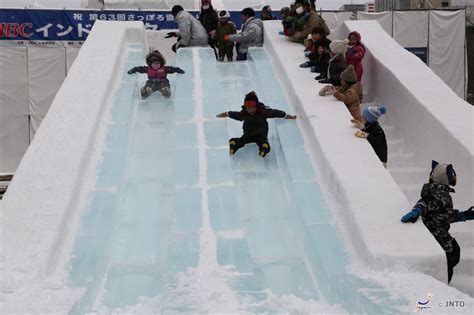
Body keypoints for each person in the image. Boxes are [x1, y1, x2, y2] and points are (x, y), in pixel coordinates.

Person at [401, 161, 474, 283]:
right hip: (437, 238)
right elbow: (426, 202)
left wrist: (464, 215)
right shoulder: (438, 194)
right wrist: (417, 210)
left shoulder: (441, 193)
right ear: (449, 178)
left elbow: (444, 215)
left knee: (455, 251)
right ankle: (442, 285)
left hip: (441, 234)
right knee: (450, 258)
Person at [216, 91, 297, 157]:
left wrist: (287, 116)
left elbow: (275, 113)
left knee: (256, 141)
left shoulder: (262, 112)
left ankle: (263, 147)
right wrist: (227, 114)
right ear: (245, 107)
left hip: (259, 134)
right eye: (248, 108)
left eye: (253, 107)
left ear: (257, 106)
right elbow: (235, 115)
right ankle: (234, 144)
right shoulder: (247, 113)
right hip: (251, 134)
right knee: (244, 140)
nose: (251, 110)